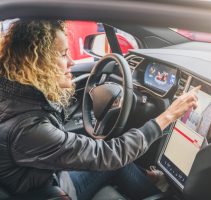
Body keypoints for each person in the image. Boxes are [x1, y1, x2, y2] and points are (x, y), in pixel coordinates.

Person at [0, 20, 199, 200]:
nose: (71, 62)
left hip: (43, 179)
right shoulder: (28, 127)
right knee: (116, 160)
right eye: (62, 54)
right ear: (36, 64)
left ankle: (150, 180)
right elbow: (110, 154)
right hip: (50, 191)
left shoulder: (17, 97)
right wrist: (168, 116)